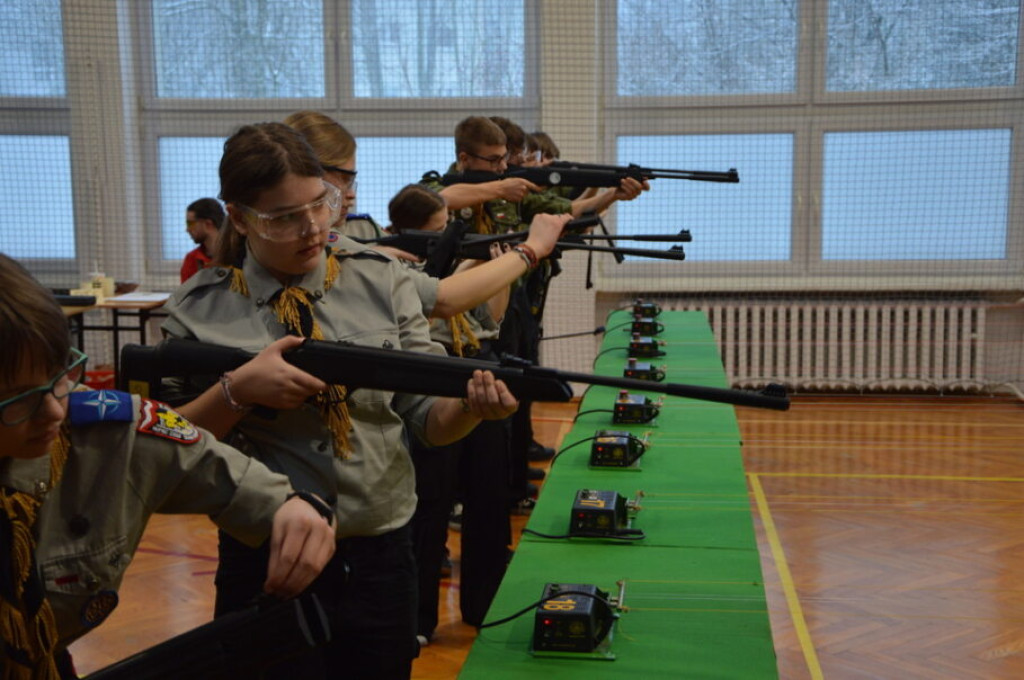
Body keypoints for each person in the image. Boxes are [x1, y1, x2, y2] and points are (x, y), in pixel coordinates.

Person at [161, 122, 520, 679]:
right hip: (265, 556)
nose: (313, 228)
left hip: (380, 555)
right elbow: (166, 448)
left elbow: (426, 420)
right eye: (283, 218)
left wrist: (471, 408)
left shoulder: (383, 281)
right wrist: (237, 392)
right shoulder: (197, 310)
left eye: (320, 204)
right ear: (239, 218)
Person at [0, 252, 336, 679]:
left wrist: (295, 507)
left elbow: (232, 477)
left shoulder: (103, 432)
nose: (53, 410)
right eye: (18, 399)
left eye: (59, 376)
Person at [282, 110, 566, 321]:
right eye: (340, 180)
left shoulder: (352, 246)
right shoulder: (432, 189)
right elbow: (442, 300)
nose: (351, 194)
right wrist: (529, 250)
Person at [388, 184, 519, 639]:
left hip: (478, 368)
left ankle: (483, 606)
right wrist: (452, 270)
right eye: (439, 231)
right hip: (433, 377)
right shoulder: (394, 272)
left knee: (488, 496)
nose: (449, 236)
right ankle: (418, 619)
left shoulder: (459, 265)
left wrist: (495, 271)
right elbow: (427, 313)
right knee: (430, 505)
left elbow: (489, 324)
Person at [180, 198, 226, 282]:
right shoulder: (192, 259)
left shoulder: (239, 255)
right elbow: (186, 294)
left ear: (208, 224)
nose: (187, 229)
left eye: (190, 223)